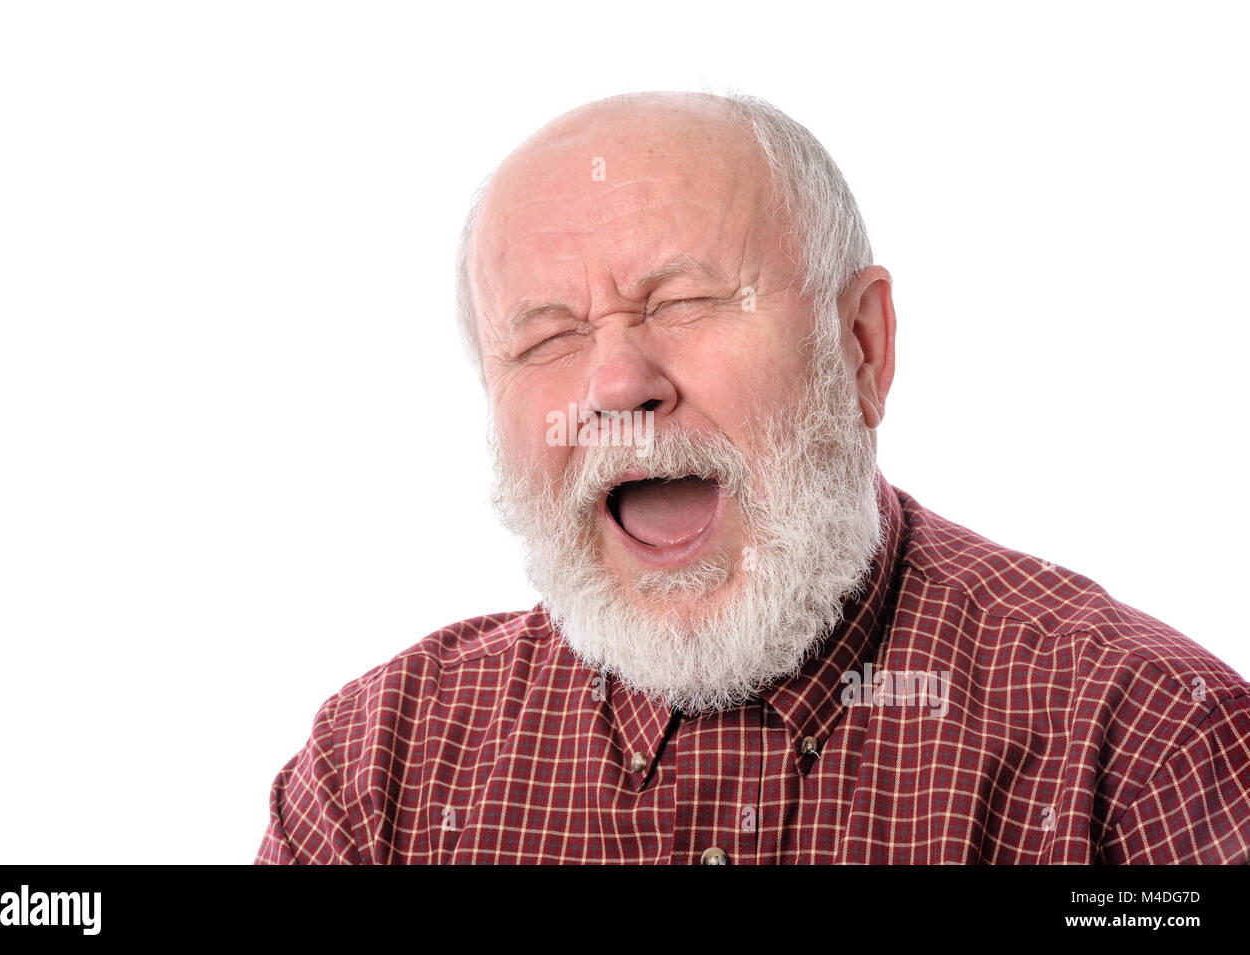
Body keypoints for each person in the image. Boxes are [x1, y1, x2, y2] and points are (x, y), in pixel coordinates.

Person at [255, 91, 1250, 864]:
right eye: (550, 336)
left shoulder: (1145, 743)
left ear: (860, 347)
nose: (615, 385)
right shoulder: (379, 768)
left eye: (686, 300)